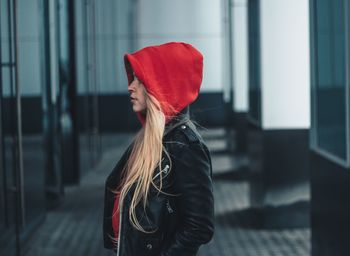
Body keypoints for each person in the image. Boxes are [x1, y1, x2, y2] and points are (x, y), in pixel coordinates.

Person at [103, 42, 214, 256]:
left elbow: (200, 226)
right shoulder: (149, 141)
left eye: (139, 80)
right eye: (132, 78)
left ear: (162, 85)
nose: (130, 86)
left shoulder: (185, 147)